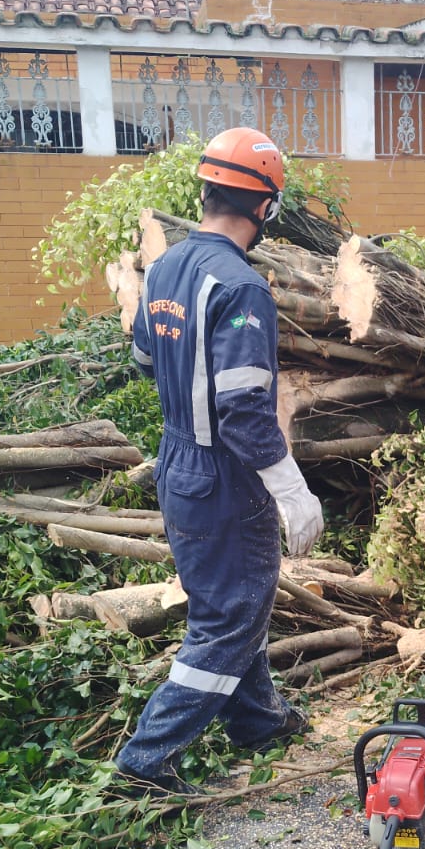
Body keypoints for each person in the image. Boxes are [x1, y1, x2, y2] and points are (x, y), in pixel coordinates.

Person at [114, 127, 325, 794]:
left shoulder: (168, 266)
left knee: (236, 600)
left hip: (178, 461)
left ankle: (257, 720)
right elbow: (242, 412)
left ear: (205, 191)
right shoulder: (240, 288)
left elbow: (145, 358)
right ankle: (144, 762)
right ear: (263, 207)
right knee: (229, 615)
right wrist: (292, 489)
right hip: (223, 478)